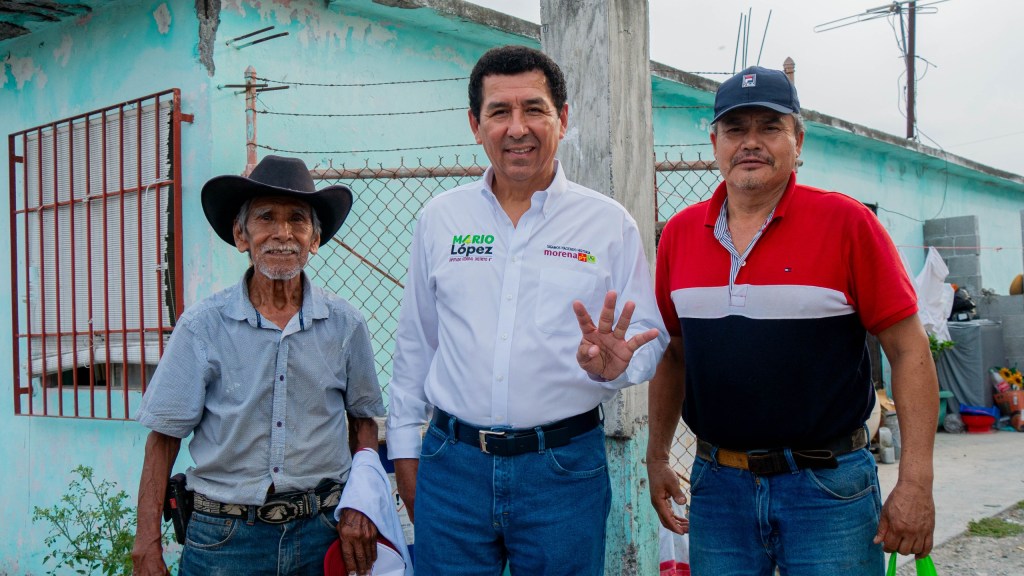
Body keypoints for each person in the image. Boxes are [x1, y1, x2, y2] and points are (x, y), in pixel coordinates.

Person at [385, 45, 667, 575]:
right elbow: (415, 345)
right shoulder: (440, 219)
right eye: (499, 112)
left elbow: (647, 333)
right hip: (453, 465)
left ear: (562, 119)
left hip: (563, 470)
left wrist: (620, 364)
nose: (518, 128)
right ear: (475, 124)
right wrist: (405, 453)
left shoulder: (608, 225)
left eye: (534, 109)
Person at [646, 66, 938, 575]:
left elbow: (909, 349)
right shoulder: (680, 234)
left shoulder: (847, 224)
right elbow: (674, 353)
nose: (750, 143)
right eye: (736, 129)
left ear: (797, 140)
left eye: (770, 128)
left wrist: (916, 480)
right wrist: (655, 457)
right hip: (718, 488)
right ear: (715, 142)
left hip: (828, 490)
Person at [131, 155, 386, 576]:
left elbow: (363, 423)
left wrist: (362, 503)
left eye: (298, 220)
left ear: (315, 239)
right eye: (266, 217)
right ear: (241, 235)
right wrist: (146, 545)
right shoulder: (202, 326)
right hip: (224, 540)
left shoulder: (346, 325)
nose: (283, 233)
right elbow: (163, 440)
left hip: (321, 530)